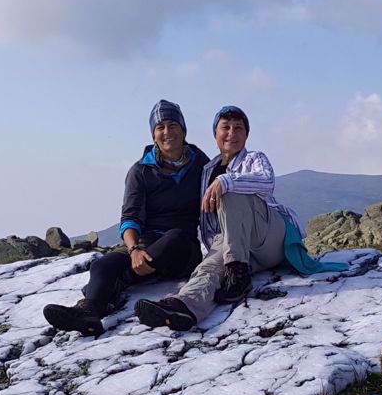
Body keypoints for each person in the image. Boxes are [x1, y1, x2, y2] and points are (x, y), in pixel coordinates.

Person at [135, 105, 345, 332]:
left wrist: (227, 182)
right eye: (225, 128)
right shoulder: (207, 169)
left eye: (238, 128)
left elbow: (267, 182)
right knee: (209, 268)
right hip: (235, 243)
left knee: (231, 192)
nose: (231, 134)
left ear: (246, 134)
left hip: (268, 237)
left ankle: (237, 272)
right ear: (215, 133)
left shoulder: (255, 158)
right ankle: (184, 307)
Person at [44, 100, 211, 335]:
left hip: (182, 248)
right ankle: (89, 313)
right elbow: (130, 216)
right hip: (145, 243)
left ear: (183, 130)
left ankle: (117, 283)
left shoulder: (202, 165)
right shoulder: (140, 171)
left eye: (172, 125)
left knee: (174, 238)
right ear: (153, 135)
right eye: (160, 127)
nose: (167, 132)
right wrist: (133, 250)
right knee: (102, 265)